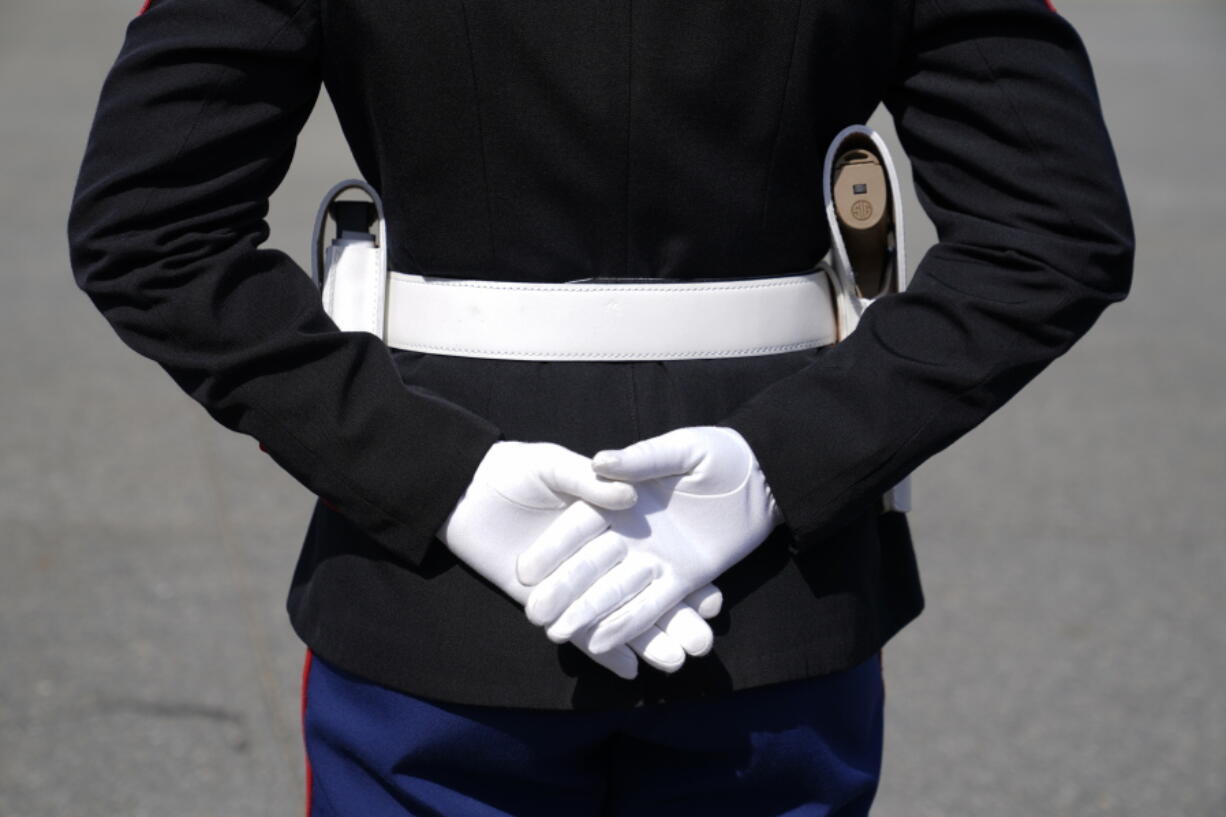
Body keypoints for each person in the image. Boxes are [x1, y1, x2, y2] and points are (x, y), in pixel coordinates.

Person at [67, 0, 1134, 813]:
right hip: (769, 595)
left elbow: (150, 228)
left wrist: (438, 476)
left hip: (431, 596)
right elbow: (1047, 226)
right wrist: (781, 463)